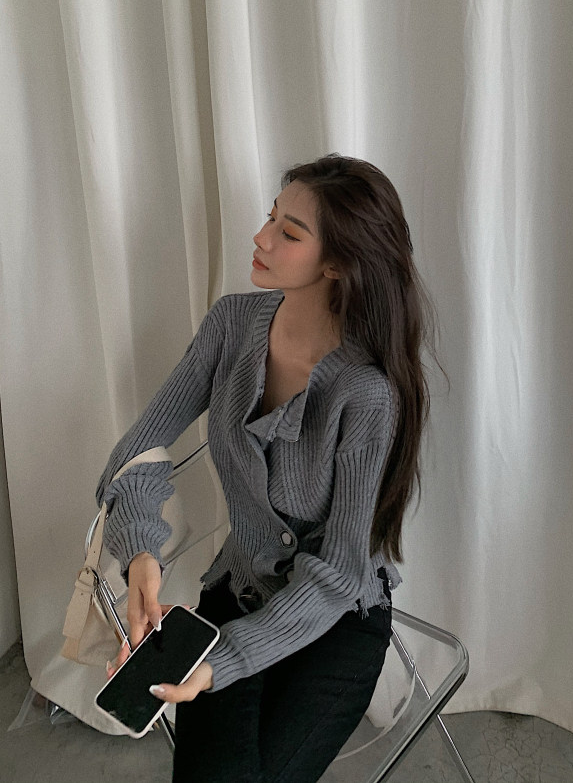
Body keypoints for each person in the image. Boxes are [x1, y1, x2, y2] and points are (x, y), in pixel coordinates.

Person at [97, 154, 435, 783]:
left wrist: (222, 663)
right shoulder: (231, 325)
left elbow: (338, 575)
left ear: (336, 264)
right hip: (238, 591)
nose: (261, 237)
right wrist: (141, 554)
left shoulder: (366, 392)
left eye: (289, 232)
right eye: (271, 217)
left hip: (339, 619)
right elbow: (137, 451)